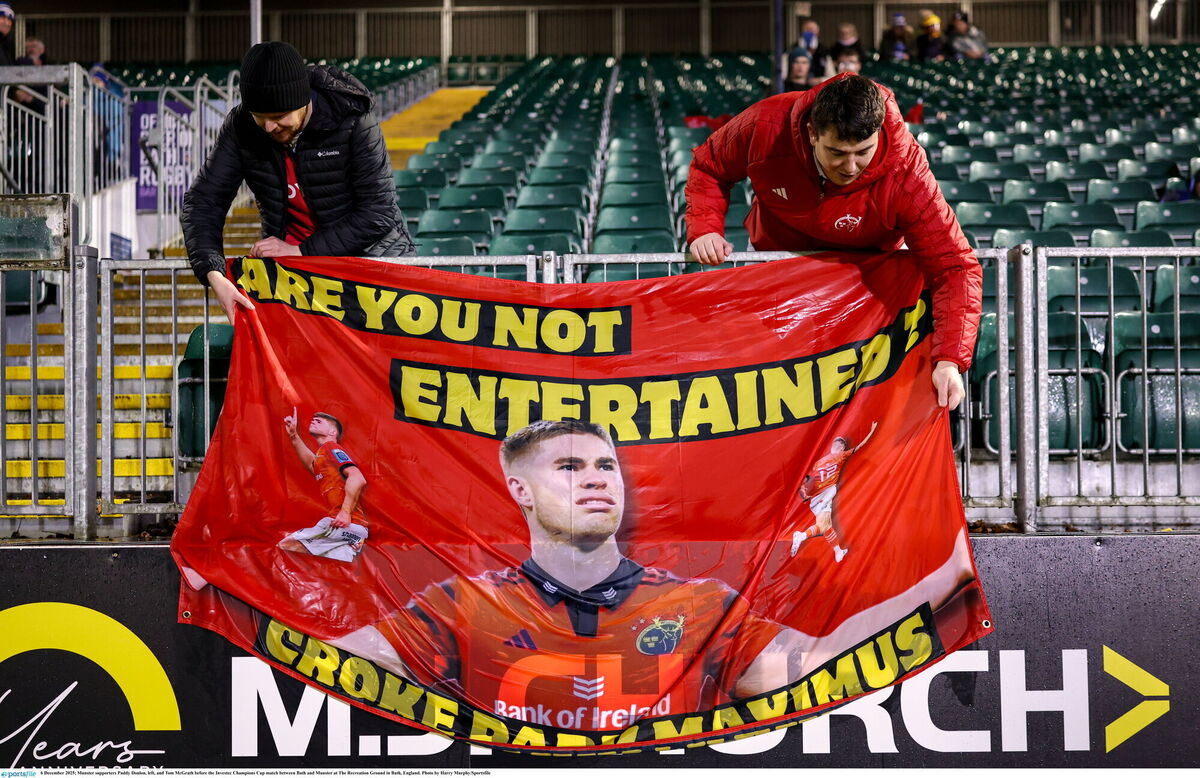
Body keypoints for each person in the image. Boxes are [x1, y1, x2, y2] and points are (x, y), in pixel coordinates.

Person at [332, 419, 811, 717]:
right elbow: (330, 666)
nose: (596, 480)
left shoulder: (700, 604)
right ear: (521, 490)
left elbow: (813, 674)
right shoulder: (464, 604)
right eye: (569, 467)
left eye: (606, 466)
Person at [684, 74, 981, 412]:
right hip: (778, 262)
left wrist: (949, 361)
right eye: (837, 152)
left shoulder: (907, 172)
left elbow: (954, 266)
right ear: (812, 133)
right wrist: (705, 228)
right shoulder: (765, 124)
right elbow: (709, 165)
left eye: (863, 152)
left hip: (870, 273)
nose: (851, 166)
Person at [181, 41, 414, 327]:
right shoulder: (241, 127)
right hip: (298, 282)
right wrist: (215, 275)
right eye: (259, 117)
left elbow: (378, 212)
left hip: (368, 271)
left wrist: (300, 250)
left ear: (304, 102)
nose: (268, 127)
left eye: (279, 117)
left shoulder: (353, 118)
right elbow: (204, 201)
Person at [278, 408, 369, 564]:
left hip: (345, 523)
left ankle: (352, 544)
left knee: (286, 546)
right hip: (349, 528)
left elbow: (358, 478)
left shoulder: (331, 448)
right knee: (332, 563)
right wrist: (293, 436)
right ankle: (350, 548)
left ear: (333, 432)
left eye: (319, 421)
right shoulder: (323, 457)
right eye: (313, 419)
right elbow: (313, 464)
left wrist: (345, 512)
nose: (313, 420)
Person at [791, 423, 876, 563]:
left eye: (841, 443)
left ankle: (837, 550)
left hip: (827, 493)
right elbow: (809, 478)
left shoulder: (841, 456)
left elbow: (860, 446)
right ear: (832, 446)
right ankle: (801, 536)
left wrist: (871, 430)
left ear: (842, 448)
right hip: (819, 495)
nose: (838, 444)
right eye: (836, 442)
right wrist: (803, 490)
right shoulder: (819, 462)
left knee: (826, 526)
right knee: (824, 526)